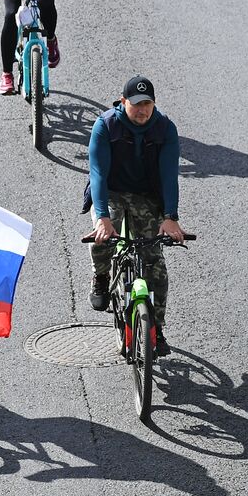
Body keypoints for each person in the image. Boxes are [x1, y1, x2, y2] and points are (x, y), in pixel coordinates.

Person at [84, 75, 187, 356]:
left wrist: (170, 216)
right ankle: (101, 276)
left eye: (148, 104)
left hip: (146, 194)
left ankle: (158, 329)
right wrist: (102, 217)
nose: (142, 110)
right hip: (112, 190)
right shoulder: (106, 125)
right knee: (102, 237)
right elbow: (98, 174)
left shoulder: (165, 128)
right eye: (136, 104)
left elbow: (169, 175)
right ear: (122, 101)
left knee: (156, 263)